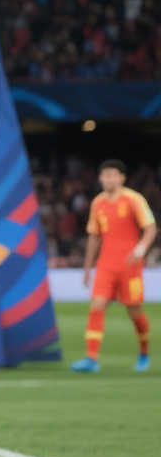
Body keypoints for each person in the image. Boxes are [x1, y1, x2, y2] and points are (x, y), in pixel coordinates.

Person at [73, 159, 156, 373]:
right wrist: (87, 268)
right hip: (106, 265)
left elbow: (150, 228)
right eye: (105, 175)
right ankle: (91, 358)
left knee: (134, 311)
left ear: (121, 178)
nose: (108, 179)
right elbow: (94, 237)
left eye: (112, 175)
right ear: (100, 178)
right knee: (97, 306)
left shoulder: (134, 199)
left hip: (130, 265)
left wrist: (140, 249)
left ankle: (144, 353)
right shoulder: (97, 203)